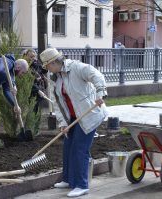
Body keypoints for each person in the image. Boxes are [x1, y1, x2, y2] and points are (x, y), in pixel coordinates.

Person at [39, 48, 107, 197]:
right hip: (73, 118)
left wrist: (100, 92)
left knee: (80, 149)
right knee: (68, 147)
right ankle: (68, 179)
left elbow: (97, 75)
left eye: (48, 65)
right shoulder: (55, 77)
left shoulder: (76, 67)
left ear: (55, 62)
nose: (47, 69)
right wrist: (63, 123)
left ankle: (82, 185)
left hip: (89, 115)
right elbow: (57, 103)